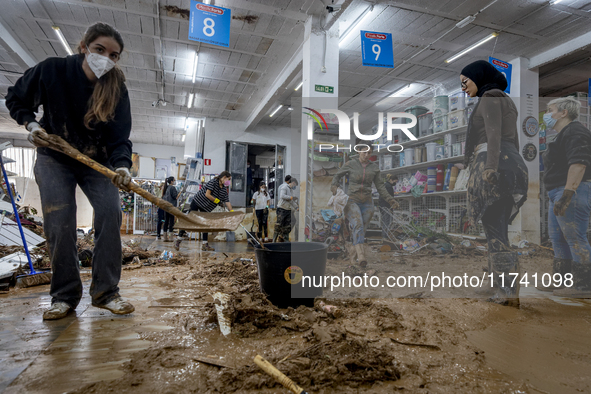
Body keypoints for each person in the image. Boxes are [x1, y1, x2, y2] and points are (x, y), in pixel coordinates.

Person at [5, 22, 135, 320]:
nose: (106, 58)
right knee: (60, 219)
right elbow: (16, 98)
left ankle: (106, 292)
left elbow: (119, 138)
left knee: (110, 212)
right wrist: (32, 124)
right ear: (83, 47)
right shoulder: (53, 71)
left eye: (114, 55)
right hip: (55, 156)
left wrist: (122, 166)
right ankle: (63, 296)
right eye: (100, 50)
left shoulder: (117, 89)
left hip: (96, 161)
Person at [460, 60, 528, 307]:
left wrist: (490, 167)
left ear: (478, 76)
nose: (463, 88)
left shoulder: (489, 97)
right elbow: (513, 140)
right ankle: (505, 286)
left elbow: (493, 135)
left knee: (495, 232)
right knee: (498, 229)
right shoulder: (505, 99)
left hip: (495, 166)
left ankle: (506, 292)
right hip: (510, 165)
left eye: (465, 82)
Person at [541, 97, 591, 298]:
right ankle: (562, 281)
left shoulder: (576, 131)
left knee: (574, 237)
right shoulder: (563, 134)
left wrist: (568, 193)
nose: (547, 114)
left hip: (571, 190)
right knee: (558, 238)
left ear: (563, 112)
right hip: (557, 191)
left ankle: (583, 284)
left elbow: (579, 163)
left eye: (550, 110)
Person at [331, 144, 398, 267]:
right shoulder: (351, 164)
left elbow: (380, 187)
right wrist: (334, 185)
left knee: (362, 229)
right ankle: (361, 256)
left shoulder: (374, 168)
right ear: (359, 152)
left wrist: (390, 199)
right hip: (352, 200)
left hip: (367, 202)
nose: (366, 155)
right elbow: (337, 175)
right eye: (364, 152)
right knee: (358, 224)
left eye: (369, 153)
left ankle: (353, 254)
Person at [190, 171, 233, 251]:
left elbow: (227, 201)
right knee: (190, 220)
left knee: (205, 224)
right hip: (197, 202)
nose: (229, 181)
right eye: (229, 179)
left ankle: (205, 245)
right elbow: (207, 194)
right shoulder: (213, 182)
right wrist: (217, 201)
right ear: (224, 177)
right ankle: (178, 239)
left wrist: (232, 212)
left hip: (206, 207)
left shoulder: (224, 189)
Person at [274, 175, 298, 242]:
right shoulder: (284, 187)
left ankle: (283, 236)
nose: (295, 186)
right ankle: (275, 240)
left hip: (287, 209)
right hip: (282, 209)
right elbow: (282, 196)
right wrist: (290, 197)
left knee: (289, 223)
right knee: (279, 225)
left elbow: (291, 200)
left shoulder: (290, 189)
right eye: (295, 184)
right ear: (292, 182)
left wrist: (296, 207)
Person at [379, 174, 398, 241]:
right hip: (386, 206)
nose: (395, 183)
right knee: (387, 222)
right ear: (391, 180)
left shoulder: (385, 185)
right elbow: (390, 198)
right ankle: (385, 237)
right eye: (395, 181)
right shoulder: (389, 187)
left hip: (382, 206)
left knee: (385, 221)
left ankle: (385, 236)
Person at [162, 176, 178, 242]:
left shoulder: (166, 188)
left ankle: (165, 237)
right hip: (171, 207)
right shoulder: (172, 188)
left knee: (166, 221)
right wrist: (180, 192)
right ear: (171, 181)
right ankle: (171, 238)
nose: (174, 181)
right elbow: (175, 197)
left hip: (165, 207)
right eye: (174, 180)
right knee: (171, 222)